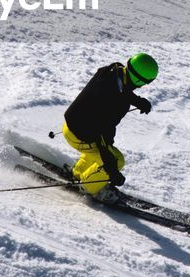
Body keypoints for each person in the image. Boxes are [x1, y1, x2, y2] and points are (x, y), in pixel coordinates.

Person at [60, 53, 157, 202]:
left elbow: (117, 90)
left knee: (97, 150)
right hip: (80, 136)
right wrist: (111, 169)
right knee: (117, 160)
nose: (143, 86)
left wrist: (137, 101)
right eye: (145, 83)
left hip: (70, 125)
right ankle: (90, 187)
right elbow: (102, 135)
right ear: (139, 80)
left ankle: (78, 172)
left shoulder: (111, 70)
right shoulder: (117, 103)